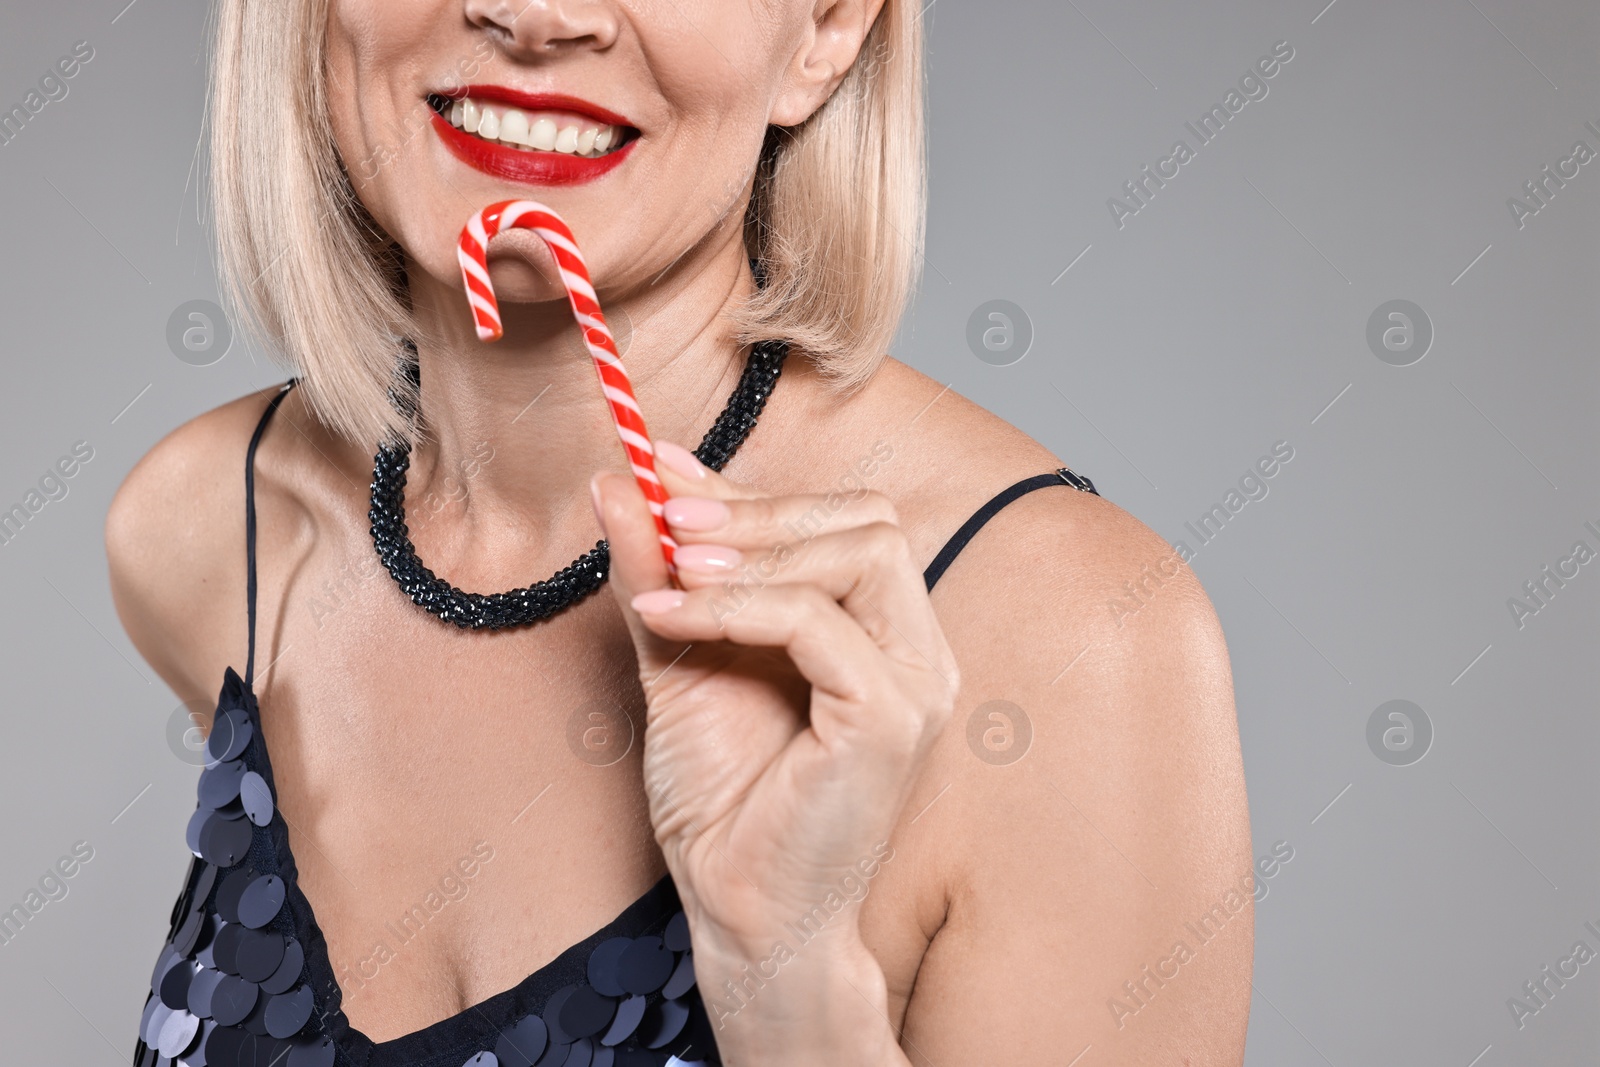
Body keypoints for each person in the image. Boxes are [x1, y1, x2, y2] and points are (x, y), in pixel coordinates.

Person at [108, 0, 1253, 1063]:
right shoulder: (210, 528)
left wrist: (788, 986)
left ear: (825, 26)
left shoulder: (1072, 643)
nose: (540, 13)